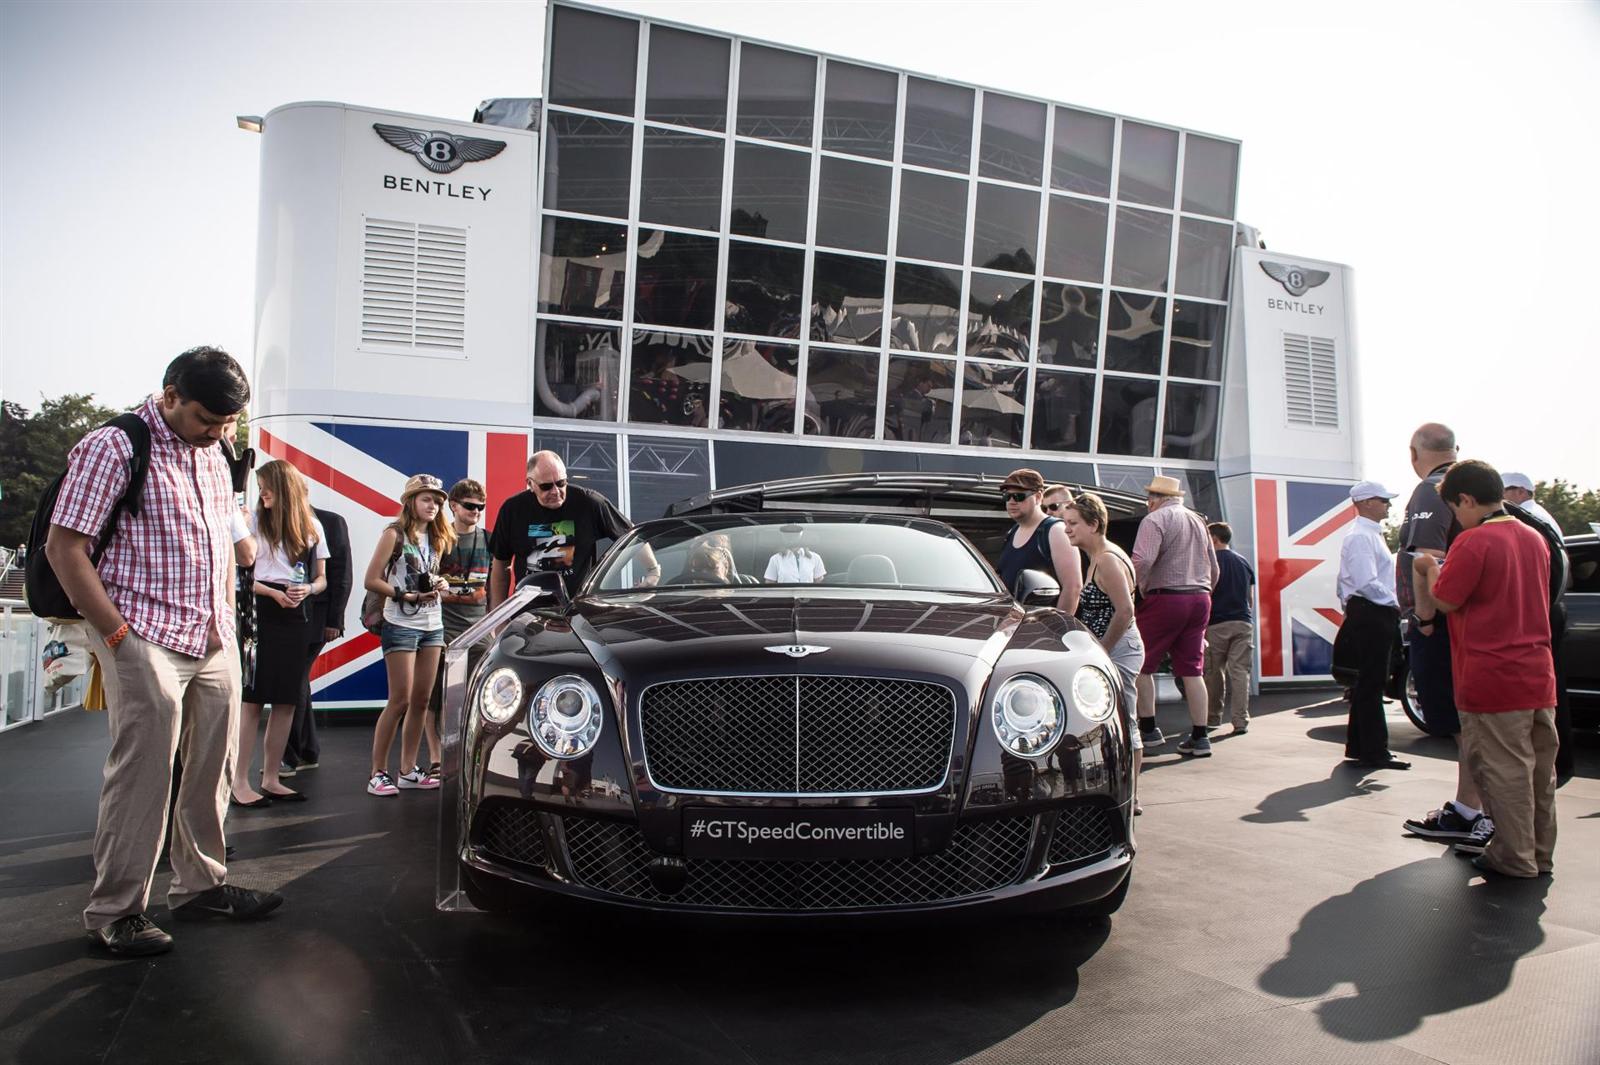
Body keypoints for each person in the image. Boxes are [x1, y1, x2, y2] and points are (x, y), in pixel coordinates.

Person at [46, 346, 281, 955]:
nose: (219, 433)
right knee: (144, 772)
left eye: (229, 423)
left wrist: (231, 609)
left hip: (212, 633)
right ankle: (116, 909)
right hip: (141, 631)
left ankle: (201, 885)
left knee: (215, 767)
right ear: (170, 395)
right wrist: (116, 633)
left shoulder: (217, 450)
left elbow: (229, 535)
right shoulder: (115, 445)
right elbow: (64, 546)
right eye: (209, 419)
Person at [1413, 460, 1557, 877]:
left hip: (1492, 677)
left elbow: (1447, 598)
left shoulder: (1474, 542)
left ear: (1467, 500)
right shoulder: (1534, 538)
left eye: (1456, 511)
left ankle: (1513, 857)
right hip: (1537, 673)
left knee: (1503, 772)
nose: (1457, 519)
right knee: (1538, 774)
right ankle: (1539, 854)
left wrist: (1428, 568)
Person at [1396, 424, 1484, 843]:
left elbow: (1426, 559)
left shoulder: (1432, 489)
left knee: (1460, 721)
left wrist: (1426, 621)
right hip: (1472, 621)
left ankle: (1471, 812)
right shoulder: (1475, 489)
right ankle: (1473, 809)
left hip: (1445, 621)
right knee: (1471, 720)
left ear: (1414, 453)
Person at [233, 460, 328, 806]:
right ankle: (239, 781)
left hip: (296, 613)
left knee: (287, 700)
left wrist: (309, 591)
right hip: (262, 613)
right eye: (259, 487)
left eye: (266, 486)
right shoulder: (253, 521)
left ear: (283, 486)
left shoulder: (312, 526)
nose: (262, 493)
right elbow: (241, 577)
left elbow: (322, 578)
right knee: (252, 702)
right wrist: (273, 593)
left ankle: (271, 777)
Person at [364, 474, 455, 797]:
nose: (434, 505)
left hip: (433, 623)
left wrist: (441, 584)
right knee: (399, 699)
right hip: (400, 623)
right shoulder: (394, 534)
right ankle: (377, 772)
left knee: (421, 700)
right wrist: (405, 595)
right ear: (411, 501)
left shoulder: (438, 535)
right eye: (427, 499)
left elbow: (431, 574)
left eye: (437, 500)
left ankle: (407, 770)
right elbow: (371, 579)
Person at [1061, 493, 1147, 812]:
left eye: (1073, 524)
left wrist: (1103, 653)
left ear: (1094, 525)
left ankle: (1132, 795)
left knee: (1127, 720)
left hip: (1120, 649)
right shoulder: (1097, 556)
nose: (1067, 530)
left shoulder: (1108, 559)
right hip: (1113, 647)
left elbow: (1124, 611)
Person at [488, 451, 657, 606]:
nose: (556, 491)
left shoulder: (588, 502)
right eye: (546, 486)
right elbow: (501, 563)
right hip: (528, 611)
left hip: (576, 610)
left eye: (561, 483)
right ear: (530, 484)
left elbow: (630, 534)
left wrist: (653, 571)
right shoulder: (513, 509)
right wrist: (498, 617)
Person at [1130, 475, 1219, 756]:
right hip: (1200, 597)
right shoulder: (1198, 521)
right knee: (1192, 669)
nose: (1148, 503)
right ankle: (1200, 735)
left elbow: (1142, 560)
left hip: (1166, 597)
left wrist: (1136, 587)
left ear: (1155, 498)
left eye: (1149, 498)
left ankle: (1149, 728)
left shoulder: (1155, 519)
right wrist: (1205, 591)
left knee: (1142, 664)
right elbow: (1214, 568)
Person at [1333, 481, 1409, 770]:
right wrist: (1394, 603)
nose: (1388, 504)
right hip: (1373, 611)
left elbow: (1346, 583)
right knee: (1372, 682)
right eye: (1383, 500)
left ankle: (1362, 747)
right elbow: (1366, 582)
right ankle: (1374, 751)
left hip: (1368, 610)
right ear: (1365, 503)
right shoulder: (1361, 537)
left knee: (1368, 683)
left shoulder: (1364, 535)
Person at [423, 478, 494, 773]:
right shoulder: (438, 538)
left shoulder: (489, 538)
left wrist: (493, 624)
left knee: (478, 697)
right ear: (453, 506)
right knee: (434, 698)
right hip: (442, 628)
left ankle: (469, 756)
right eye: (469, 506)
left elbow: (494, 583)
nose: (476, 511)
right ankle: (437, 757)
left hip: (479, 630)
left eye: (481, 507)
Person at [282, 505, 351, 776]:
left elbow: (341, 573)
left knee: (293, 681)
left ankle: (290, 755)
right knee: (298, 681)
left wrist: (335, 620)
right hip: (286, 616)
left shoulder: (331, 520)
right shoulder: (273, 518)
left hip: (319, 617)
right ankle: (307, 751)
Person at [995, 468, 1082, 614]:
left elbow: (1073, 588)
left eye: (1019, 496)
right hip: (1013, 628)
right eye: (1007, 496)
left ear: (1038, 497)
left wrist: (1056, 630)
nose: (1011, 501)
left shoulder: (1055, 530)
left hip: (1042, 629)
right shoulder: (1012, 531)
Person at [1203, 521, 1256, 735]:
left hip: (1217, 623)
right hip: (1243, 622)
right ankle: (1240, 721)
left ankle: (1213, 718)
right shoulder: (1243, 562)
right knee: (1240, 672)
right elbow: (1249, 599)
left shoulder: (1209, 561)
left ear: (1214, 539)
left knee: (1214, 672)